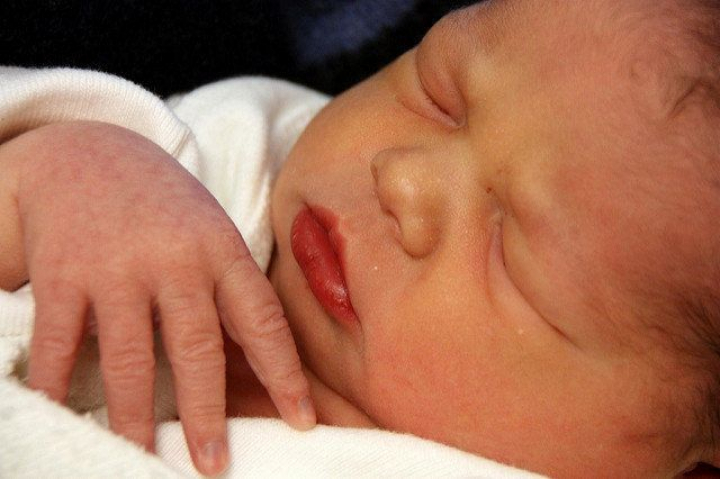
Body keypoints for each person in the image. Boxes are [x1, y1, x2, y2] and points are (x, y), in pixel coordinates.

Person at [0, 0, 719, 476]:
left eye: (512, 254)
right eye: (441, 94)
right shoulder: (201, 154)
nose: (401, 177)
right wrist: (51, 170)